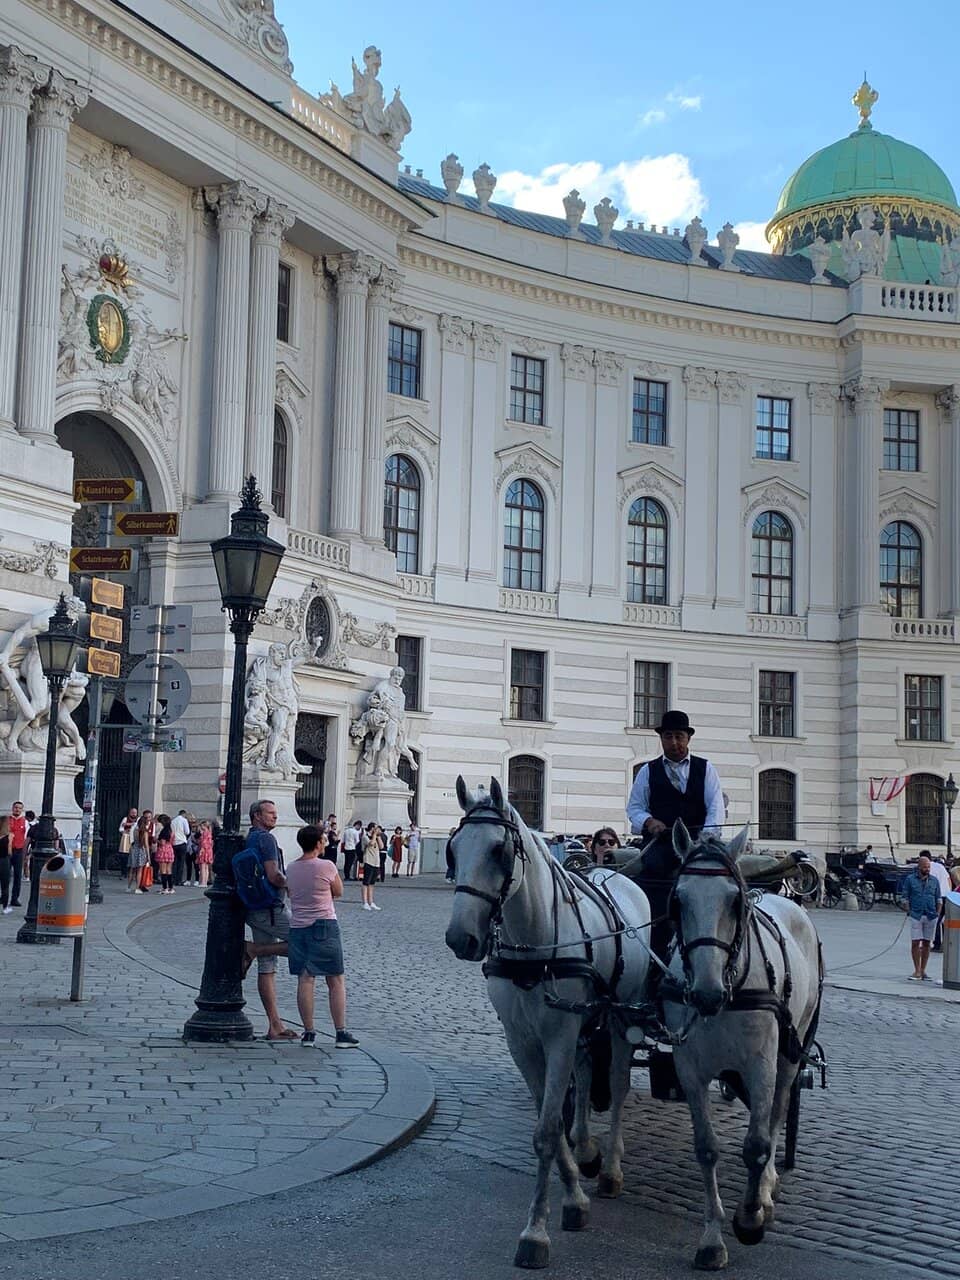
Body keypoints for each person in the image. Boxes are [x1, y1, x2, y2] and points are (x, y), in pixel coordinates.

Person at [625, 709, 726, 966]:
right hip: (659, 850)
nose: (674, 743)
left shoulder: (706, 769)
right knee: (652, 892)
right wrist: (649, 822)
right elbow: (635, 807)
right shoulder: (648, 771)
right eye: (668, 737)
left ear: (688, 738)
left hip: (696, 848)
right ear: (661, 739)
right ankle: (653, 947)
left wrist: (704, 840)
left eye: (679, 736)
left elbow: (715, 808)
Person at [285, 824, 359, 1049]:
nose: (325, 842)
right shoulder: (326, 866)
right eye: (324, 839)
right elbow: (338, 892)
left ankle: (308, 1032)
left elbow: (291, 892)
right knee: (335, 979)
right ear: (317, 843)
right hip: (324, 924)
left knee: (305, 979)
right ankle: (340, 1032)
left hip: (298, 926)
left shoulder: (292, 867)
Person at [239, 799, 297, 1041]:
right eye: (270, 813)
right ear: (256, 816)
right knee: (307, 942)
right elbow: (273, 875)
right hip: (271, 908)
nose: (275, 816)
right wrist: (292, 884)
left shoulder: (250, 837)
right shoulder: (266, 839)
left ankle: (275, 1025)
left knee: (268, 965)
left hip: (256, 907)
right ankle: (253, 949)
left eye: (275, 812)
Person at [899, 852, 942, 981]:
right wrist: (909, 910)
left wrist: (938, 913)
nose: (927, 869)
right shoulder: (910, 880)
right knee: (916, 942)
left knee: (927, 943)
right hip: (916, 915)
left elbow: (939, 898)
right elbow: (904, 897)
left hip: (931, 914)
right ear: (919, 867)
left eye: (928, 867)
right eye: (924, 867)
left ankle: (923, 970)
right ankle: (916, 970)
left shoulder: (934, 880)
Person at [929, 854, 951, 953]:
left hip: (937, 896)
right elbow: (948, 880)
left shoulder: (927, 868)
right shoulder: (941, 867)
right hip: (947, 895)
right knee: (944, 921)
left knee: (936, 920)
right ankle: (946, 943)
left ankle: (937, 944)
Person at [128, 812, 154, 893]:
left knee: (132, 870)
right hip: (141, 850)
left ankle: (128, 887)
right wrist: (148, 857)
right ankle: (137, 888)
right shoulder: (144, 832)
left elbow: (131, 840)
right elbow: (146, 845)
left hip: (134, 849)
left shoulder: (135, 830)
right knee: (139, 870)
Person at [9, 801, 27, 907]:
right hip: (6, 851)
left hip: (19, 851)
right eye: (16, 807)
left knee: (17, 876)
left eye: (19, 808)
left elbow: (26, 838)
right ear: (12, 808)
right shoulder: (6, 820)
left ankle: (14, 898)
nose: (17, 809)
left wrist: (25, 853)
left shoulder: (25, 822)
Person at [361, 822, 382, 911]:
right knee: (366, 882)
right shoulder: (365, 837)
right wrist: (374, 835)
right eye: (376, 828)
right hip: (368, 861)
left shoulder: (376, 837)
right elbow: (371, 843)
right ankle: (365, 902)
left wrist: (378, 836)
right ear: (372, 828)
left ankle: (371, 901)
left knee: (372, 883)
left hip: (376, 862)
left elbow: (381, 846)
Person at [155, 816, 175, 894]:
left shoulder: (164, 831)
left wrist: (156, 839)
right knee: (169, 870)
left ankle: (164, 888)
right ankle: (171, 887)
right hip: (170, 849)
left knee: (163, 870)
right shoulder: (171, 830)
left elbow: (162, 843)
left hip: (163, 850)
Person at [118, 808, 138, 880]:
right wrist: (124, 831)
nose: (133, 814)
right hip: (126, 838)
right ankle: (124, 872)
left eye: (135, 812)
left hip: (134, 839)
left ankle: (132, 872)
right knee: (124, 856)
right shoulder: (125, 819)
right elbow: (121, 828)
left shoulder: (138, 819)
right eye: (132, 812)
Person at [196, 819, 214, 887]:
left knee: (202, 867)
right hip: (209, 851)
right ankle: (205, 882)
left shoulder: (204, 833)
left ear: (204, 826)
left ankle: (202, 882)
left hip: (204, 851)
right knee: (206, 867)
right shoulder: (209, 833)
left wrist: (201, 851)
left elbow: (203, 843)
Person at [0, 816, 11, 914]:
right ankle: (5, 907)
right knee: (5, 885)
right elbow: (9, 851)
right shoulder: (9, 836)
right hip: (4, 860)